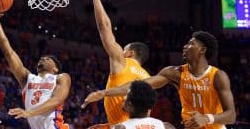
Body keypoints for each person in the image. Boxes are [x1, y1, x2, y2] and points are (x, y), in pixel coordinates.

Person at [82, 31, 236, 129]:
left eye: (191, 44)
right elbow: (137, 86)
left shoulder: (218, 76)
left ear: (202, 50)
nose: (185, 46)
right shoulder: (174, 73)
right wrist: (104, 93)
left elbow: (231, 116)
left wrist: (206, 118)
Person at [0, 0, 71, 129]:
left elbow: (57, 100)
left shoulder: (61, 77)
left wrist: (29, 112)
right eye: (42, 58)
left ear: (55, 68)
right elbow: (8, 52)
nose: (43, 59)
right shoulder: (28, 79)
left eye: (48, 59)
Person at [88, 0, 151, 127]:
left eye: (124, 49)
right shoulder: (149, 79)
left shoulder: (124, 62)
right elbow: (144, 115)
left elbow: (105, 28)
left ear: (130, 53)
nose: (121, 51)